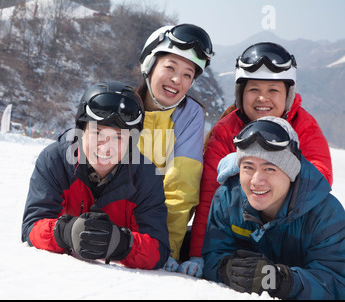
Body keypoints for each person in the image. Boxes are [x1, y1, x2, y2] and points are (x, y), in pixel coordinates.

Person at [181, 42, 333, 277]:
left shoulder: (304, 126)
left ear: (288, 95)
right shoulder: (226, 130)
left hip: (291, 235)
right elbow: (209, 196)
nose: (263, 98)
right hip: (243, 233)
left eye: (273, 90)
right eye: (253, 90)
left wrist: (267, 162)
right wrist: (198, 254)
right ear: (241, 94)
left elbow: (320, 179)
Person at [21, 81, 170, 270]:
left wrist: (120, 243)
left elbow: (158, 250)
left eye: (118, 137)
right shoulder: (55, 161)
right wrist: (65, 232)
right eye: (97, 132)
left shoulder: (146, 176)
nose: (105, 146)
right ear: (81, 131)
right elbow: (31, 227)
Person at [202, 117, 344, 300]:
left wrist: (281, 280)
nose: (256, 181)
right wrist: (226, 269)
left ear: (291, 172)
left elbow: (337, 283)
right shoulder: (228, 199)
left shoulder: (325, 214)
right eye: (248, 167)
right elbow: (213, 255)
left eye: (270, 169)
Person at [136, 24, 214, 271]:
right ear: (150, 65)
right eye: (170, 67)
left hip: (156, 233)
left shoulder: (189, 115)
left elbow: (181, 188)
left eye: (187, 74)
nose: (176, 80)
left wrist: (165, 247)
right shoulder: (122, 104)